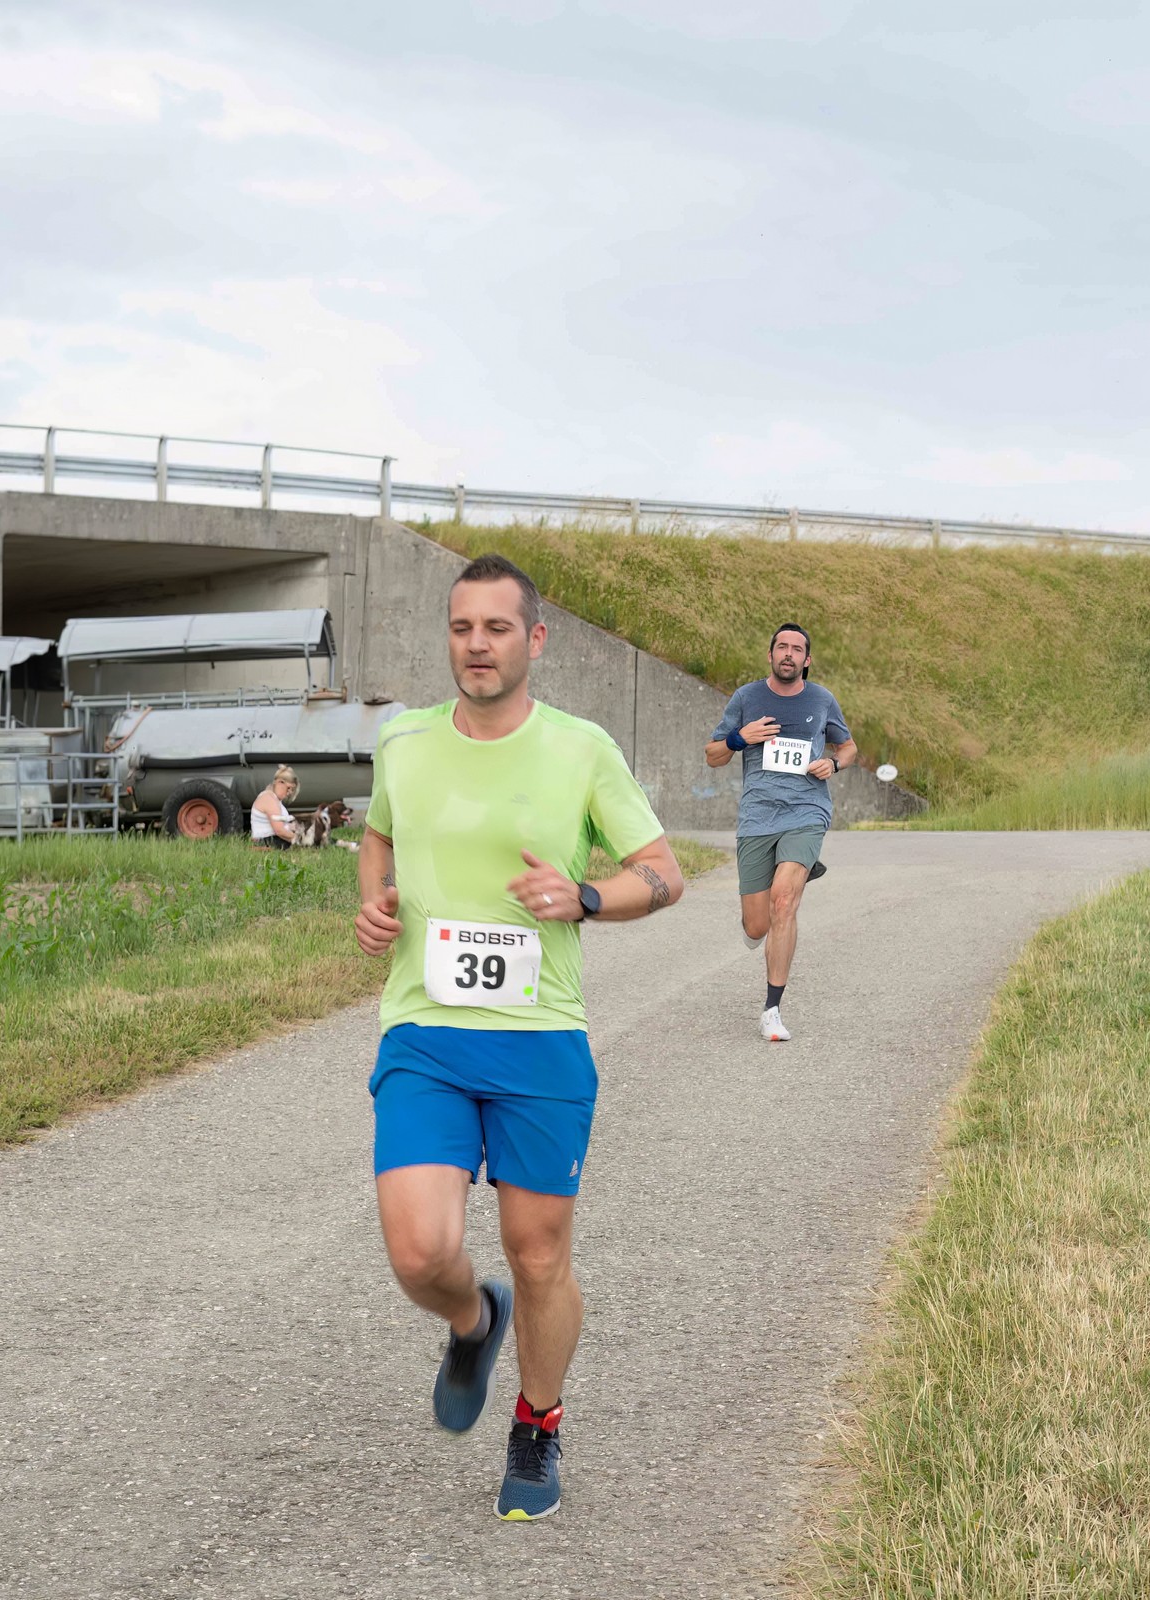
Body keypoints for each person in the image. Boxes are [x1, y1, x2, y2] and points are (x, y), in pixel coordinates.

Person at [353, 552, 685, 1522]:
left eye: (497, 628)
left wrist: (586, 896)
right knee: (420, 1251)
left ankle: (538, 1422)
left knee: (538, 1254)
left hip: (540, 1038)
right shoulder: (403, 742)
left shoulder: (580, 750)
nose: (477, 645)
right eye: (462, 628)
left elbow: (661, 871)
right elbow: (379, 835)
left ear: (534, 639)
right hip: (425, 1029)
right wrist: (374, 901)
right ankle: (473, 1318)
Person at [704, 623, 856, 1042]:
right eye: (782, 647)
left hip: (806, 810)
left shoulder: (821, 699)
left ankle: (772, 1009)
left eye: (797, 649)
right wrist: (740, 737)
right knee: (757, 926)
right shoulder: (746, 698)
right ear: (770, 655)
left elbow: (847, 747)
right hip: (757, 817)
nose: (789, 654)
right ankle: (792, 871)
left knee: (784, 901)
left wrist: (834, 764)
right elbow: (713, 754)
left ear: (807, 660)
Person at [250, 764, 299, 850]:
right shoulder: (269, 799)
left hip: (272, 839)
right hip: (269, 841)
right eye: (288, 788)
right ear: (280, 782)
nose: (289, 793)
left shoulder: (274, 799)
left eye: (292, 790)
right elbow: (279, 831)